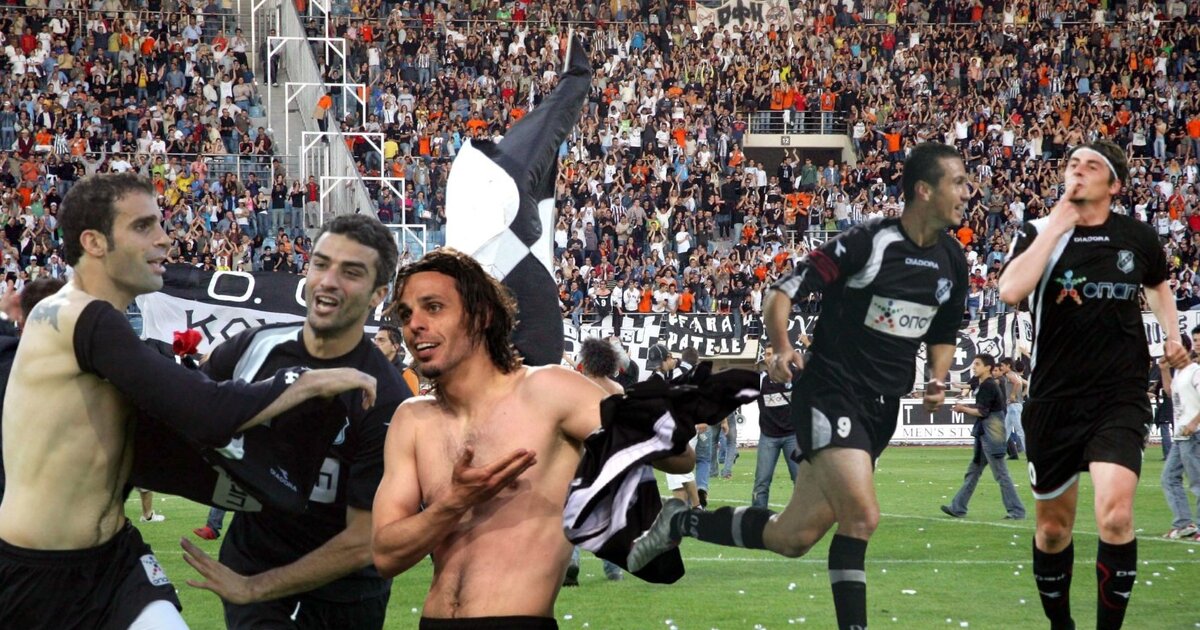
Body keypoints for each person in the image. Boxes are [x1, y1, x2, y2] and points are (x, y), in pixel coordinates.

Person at [0, 173, 376, 629]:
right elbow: (206, 411)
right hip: (36, 574)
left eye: (160, 223)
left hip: (116, 560)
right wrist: (302, 382)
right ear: (94, 242)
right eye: (143, 226)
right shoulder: (75, 314)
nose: (164, 238)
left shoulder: (108, 328)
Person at [627, 142, 971, 630]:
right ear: (924, 190)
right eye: (958, 182)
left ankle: (680, 520)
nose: (968, 191)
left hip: (882, 409)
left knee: (793, 536)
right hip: (831, 392)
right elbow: (782, 290)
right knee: (862, 517)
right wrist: (782, 345)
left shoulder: (952, 260)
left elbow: (944, 332)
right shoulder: (867, 243)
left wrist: (937, 378)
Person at [371, 249, 693, 629]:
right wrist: (455, 503)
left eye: (434, 307)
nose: (415, 325)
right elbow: (386, 555)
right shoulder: (412, 419)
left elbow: (680, 457)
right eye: (406, 313)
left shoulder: (549, 391)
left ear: (481, 315)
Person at [180, 214, 410, 629]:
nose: (328, 281)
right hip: (254, 566)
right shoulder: (255, 347)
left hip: (343, 595)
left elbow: (363, 539)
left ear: (378, 294)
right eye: (321, 264)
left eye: (351, 272)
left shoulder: (388, 399)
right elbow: (189, 411)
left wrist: (256, 588)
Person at [998, 139, 1189, 630]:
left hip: (1119, 397)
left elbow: (1158, 283)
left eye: (1090, 166)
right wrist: (1055, 227)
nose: (1077, 171)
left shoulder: (1136, 237)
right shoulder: (1037, 231)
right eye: (1072, 164)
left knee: (1116, 517)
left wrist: (1172, 333)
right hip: (1053, 400)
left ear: (1114, 185)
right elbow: (1011, 290)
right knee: (1052, 530)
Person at [564, 337, 625, 585]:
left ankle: (571, 560)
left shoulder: (577, 386)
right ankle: (613, 568)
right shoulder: (617, 389)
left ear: (587, 361)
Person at [0, 277, 66, 502]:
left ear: (22, 318)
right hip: (53, 501)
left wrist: (4, 317)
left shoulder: (11, 364)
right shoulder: (85, 371)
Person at [941, 354, 1026, 520]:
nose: (974, 367)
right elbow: (973, 394)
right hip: (984, 429)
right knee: (974, 471)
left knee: (1000, 473)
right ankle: (958, 507)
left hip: (992, 431)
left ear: (988, 367)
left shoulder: (989, 385)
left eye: (977, 364)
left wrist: (963, 408)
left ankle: (1017, 511)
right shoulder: (981, 383)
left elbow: (982, 412)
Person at [1158, 336, 1200, 540]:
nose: (1169, 354)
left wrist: (1193, 423)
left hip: (1194, 433)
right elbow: (1170, 393)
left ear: (1185, 350)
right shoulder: (1179, 373)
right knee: (1169, 478)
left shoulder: (1195, 371)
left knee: (1197, 481)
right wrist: (1164, 370)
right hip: (1181, 435)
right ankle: (1184, 524)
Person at [752, 347, 799, 509]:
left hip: (793, 435)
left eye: (772, 354)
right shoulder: (759, 380)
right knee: (762, 481)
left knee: (800, 479)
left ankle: (803, 516)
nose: (769, 357)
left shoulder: (795, 375)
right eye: (767, 354)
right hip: (768, 436)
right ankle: (757, 517)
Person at [375, 323, 420, 394]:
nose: (375, 343)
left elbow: (411, 400)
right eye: (375, 340)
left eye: (381, 340)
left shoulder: (407, 374)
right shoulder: (369, 370)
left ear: (395, 347)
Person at [998, 357, 1027, 459]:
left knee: (1020, 431)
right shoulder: (1016, 374)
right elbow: (1026, 384)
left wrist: (1013, 395)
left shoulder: (1009, 374)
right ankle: (999, 453)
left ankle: (1029, 453)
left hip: (1014, 406)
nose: (1001, 367)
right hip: (1014, 406)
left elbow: (1017, 383)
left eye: (1002, 366)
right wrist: (1022, 395)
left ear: (1008, 366)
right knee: (1006, 431)